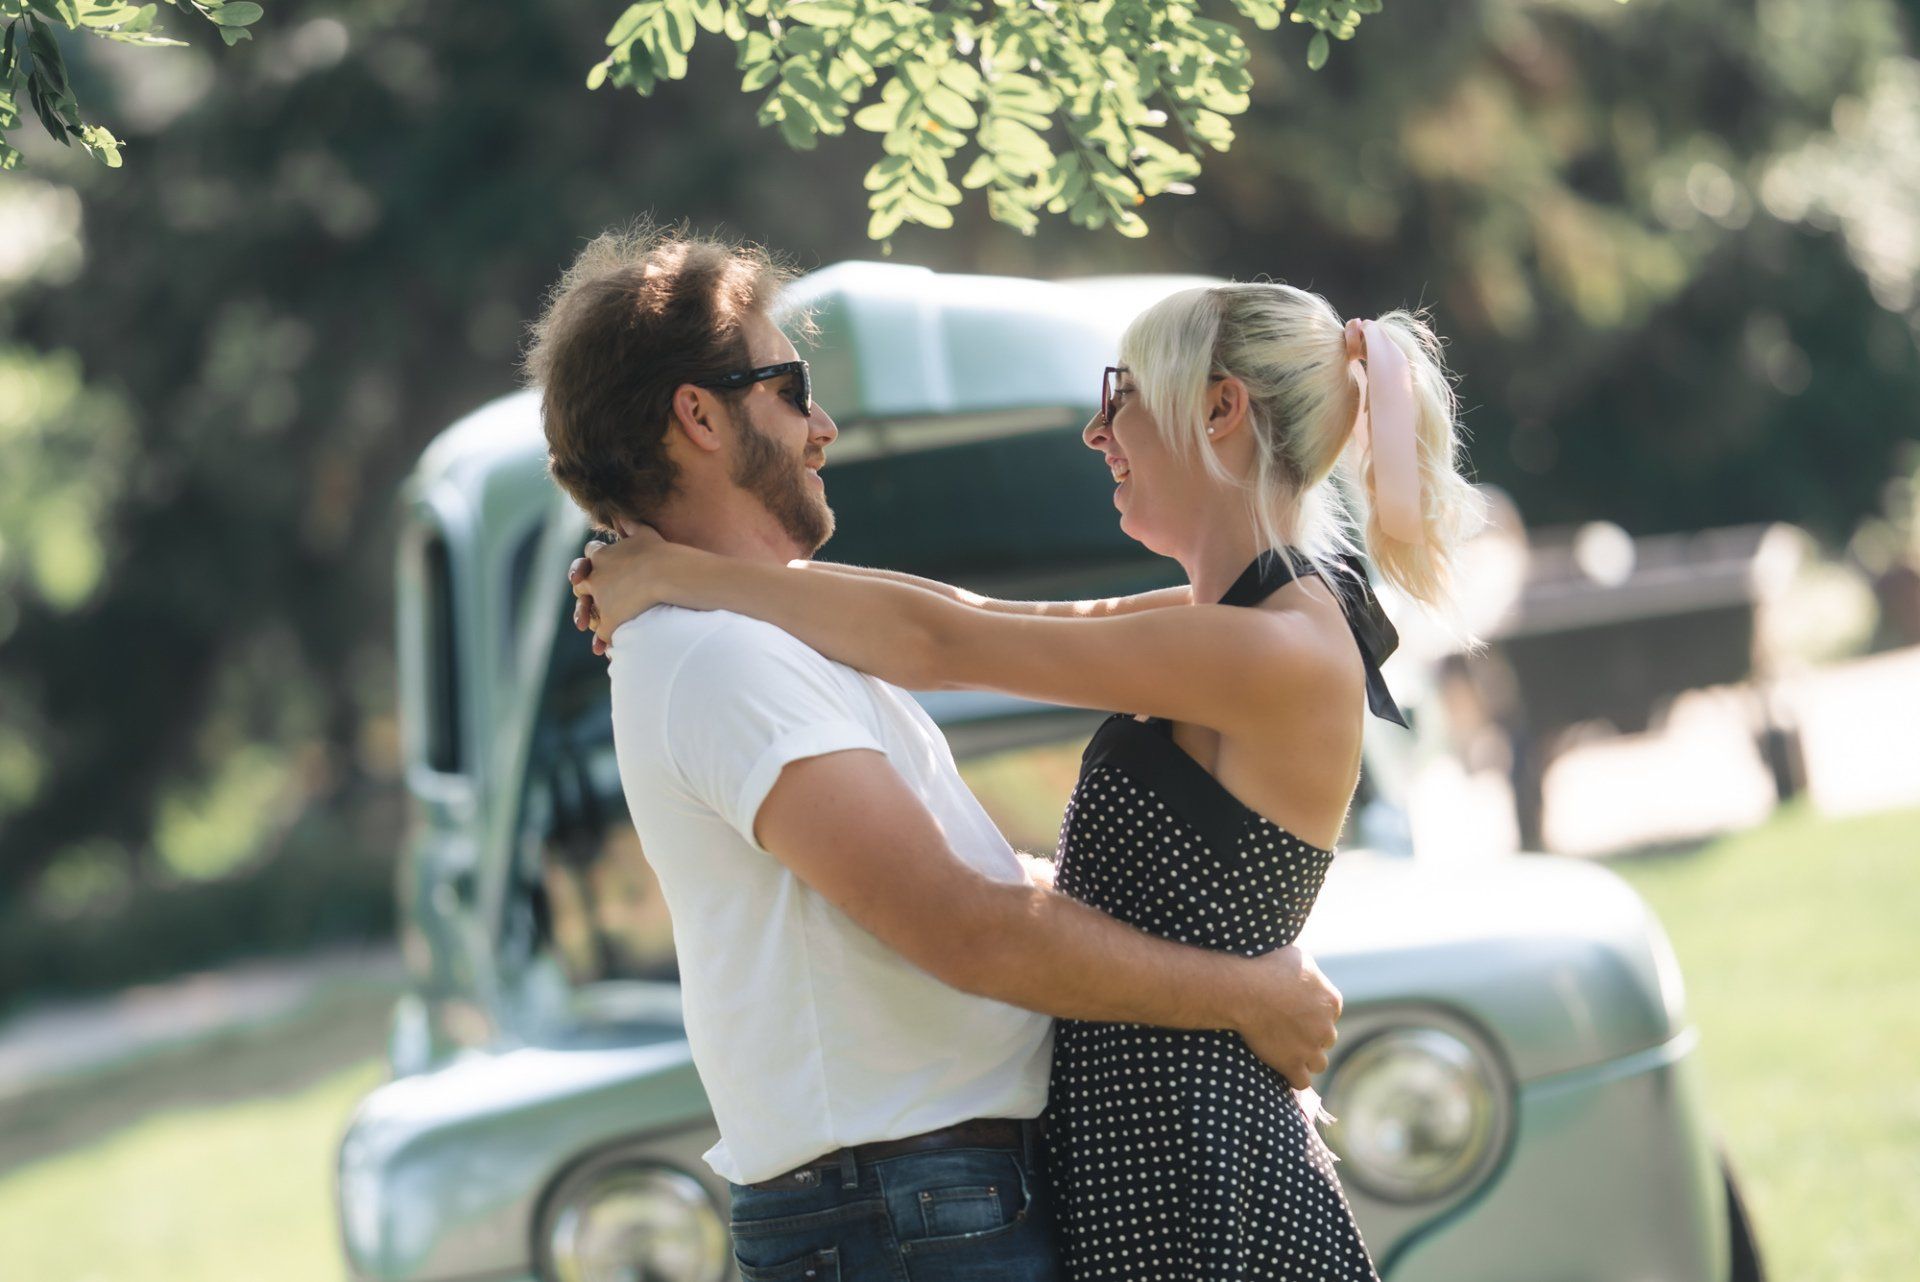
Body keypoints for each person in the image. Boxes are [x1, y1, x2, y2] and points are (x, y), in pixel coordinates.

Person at [571, 273, 1486, 1281]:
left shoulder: (1281, 646)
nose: (1099, 432)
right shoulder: (1230, 626)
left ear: (1221, 409)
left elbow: (941, 638)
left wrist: (684, 576)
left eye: (1120, 395)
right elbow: (950, 618)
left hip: (1195, 1163)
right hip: (1141, 1156)